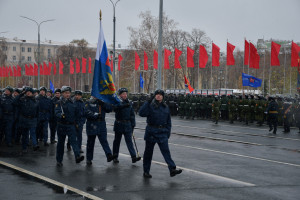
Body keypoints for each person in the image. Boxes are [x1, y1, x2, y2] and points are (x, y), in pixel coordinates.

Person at [139, 89, 182, 178]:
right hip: (151, 131)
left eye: (160, 95)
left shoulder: (165, 107)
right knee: (148, 154)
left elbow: (168, 121)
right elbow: (141, 113)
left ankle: (172, 169)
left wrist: (167, 133)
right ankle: (146, 171)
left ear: (163, 97)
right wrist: (147, 102)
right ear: (154, 96)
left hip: (162, 132)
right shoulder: (150, 105)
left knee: (166, 152)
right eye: (157, 94)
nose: (158, 96)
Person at [55, 86, 84, 166]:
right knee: (61, 143)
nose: (67, 94)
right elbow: (56, 112)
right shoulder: (59, 102)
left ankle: (77, 156)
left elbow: (77, 114)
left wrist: (78, 123)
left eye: (68, 93)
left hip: (71, 125)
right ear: (62, 93)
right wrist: (60, 115)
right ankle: (59, 160)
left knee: (74, 142)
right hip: (62, 125)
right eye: (65, 93)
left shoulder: (73, 103)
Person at [84, 97, 116, 165]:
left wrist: (103, 103)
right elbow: (86, 112)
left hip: (101, 124)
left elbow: (110, 109)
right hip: (92, 124)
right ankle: (89, 159)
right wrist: (95, 115)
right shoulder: (88, 102)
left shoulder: (102, 102)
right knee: (90, 142)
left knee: (104, 140)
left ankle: (109, 155)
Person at [112, 88, 141, 164]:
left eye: (125, 93)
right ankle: (115, 156)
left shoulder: (129, 102)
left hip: (127, 124)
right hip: (119, 124)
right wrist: (123, 105)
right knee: (117, 141)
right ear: (120, 95)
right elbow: (115, 109)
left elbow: (132, 114)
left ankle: (133, 156)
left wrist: (133, 124)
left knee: (129, 141)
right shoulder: (117, 102)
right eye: (123, 94)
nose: (125, 95)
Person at [13, 87, 40, 152]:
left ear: (32, 93)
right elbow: (14, 102)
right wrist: (21, 94)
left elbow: (37, 111)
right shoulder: (22, 99)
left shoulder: (36, 101)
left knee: (33, 132)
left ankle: (35, 145)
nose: (28, 93)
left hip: (32, 119)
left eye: (30, 92)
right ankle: (24, 148)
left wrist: (37, 119)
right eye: (27, 92)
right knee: (25, 134)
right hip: (24, 119)